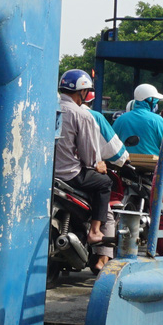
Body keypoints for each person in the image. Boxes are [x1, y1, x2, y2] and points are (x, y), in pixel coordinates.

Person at [53, 69, 128, 272]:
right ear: (82, 92)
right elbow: (89, 157)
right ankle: (95, 231)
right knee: (105, 183)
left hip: (49, 173)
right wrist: (98, 164)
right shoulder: (81, 115)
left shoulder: (48, 108)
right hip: (70, 174)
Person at [113, 84, 163, 158]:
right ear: (150, 100)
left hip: (124, 165)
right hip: (153, 166)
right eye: (156, 101)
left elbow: (110, 142)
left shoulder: (120, 119)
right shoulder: (157, 120)